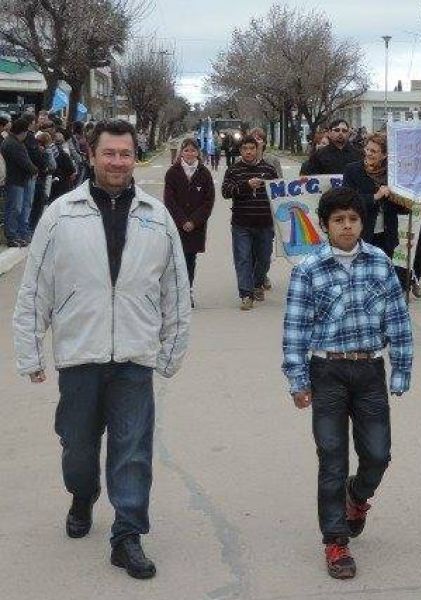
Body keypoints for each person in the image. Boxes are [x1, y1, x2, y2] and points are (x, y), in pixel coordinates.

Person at [12, 119, 191, 580]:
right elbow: (36, 288)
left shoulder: (155, 215)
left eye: (125, 154)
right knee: (77, 446)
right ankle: (82, 493)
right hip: (79, 355)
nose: (117, 162)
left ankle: (127, 535)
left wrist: (171, 350)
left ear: (135, 158)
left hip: (134, 355)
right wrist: (30, 352)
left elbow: (175, 287)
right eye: (108, 153)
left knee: (132, 450)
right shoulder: (60, 213)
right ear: (92, 155)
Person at [282, 186, 413, 579]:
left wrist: (401, 368)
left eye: (353, 219)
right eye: (338, 220)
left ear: (363, 223)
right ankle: (335, 540)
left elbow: (397, 320)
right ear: (324, 226)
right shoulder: (308, 269)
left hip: (369, 371)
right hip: (328, 373)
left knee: (378, 454)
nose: (346, 226)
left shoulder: (380, 263)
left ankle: (358, 497)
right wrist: (297, 379)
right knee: (332, 458)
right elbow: (295, 328)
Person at [342, 133, 409, 283]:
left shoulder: (392, 173)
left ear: (384, 155)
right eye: (367, 149)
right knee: (361, 274)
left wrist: (406, 200)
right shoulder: (352, 170)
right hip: (362, 231)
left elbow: (401, 207)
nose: (369, 154)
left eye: (374, 151)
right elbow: (347, 200)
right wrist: (375, 197)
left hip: (387, 232)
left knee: (382, 274)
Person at [221, 137, 280, 310]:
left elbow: (277, 194)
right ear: (240, 151)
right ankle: (246, 294)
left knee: (264, 259)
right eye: (245, 148)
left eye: (252, 148)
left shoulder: (268, 170)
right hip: (242, 223)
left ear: (258, 149)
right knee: (243, 259)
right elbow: (226, 192)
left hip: (264, 223)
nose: (248, 152)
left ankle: (258, 283)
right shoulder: (233, 170)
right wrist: (246, 185)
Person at [164, 138, 216, 306]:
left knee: (190, 259)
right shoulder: (173, 172)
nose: (190, 154)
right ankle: (175, 292)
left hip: (195, 227)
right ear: (181, 152)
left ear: (198, 153)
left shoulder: (204, 173)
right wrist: (182, 221)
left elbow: (209, 201)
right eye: (186, 150)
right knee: (175, 260)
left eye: (193, 151)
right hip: (177, 226)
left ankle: (188, 292)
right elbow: (169, 200)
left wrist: (193, 221)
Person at [1, 118, 38, 246]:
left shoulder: (12, 142)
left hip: (17, 180)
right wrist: (35, 170)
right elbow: (24, 162)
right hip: (15, 180)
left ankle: (16, 234)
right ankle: (12, 236)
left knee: (17, 208)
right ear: (23, 131)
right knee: (14, 209)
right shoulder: (13, 144)